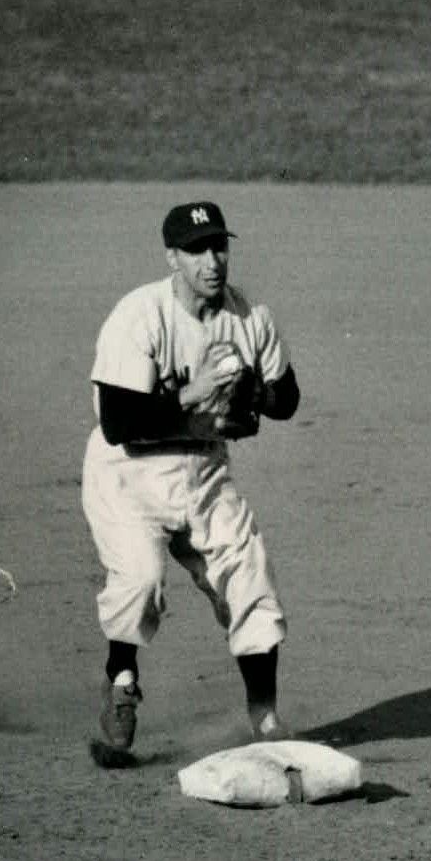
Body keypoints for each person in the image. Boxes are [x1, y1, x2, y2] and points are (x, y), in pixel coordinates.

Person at [81, 200, 302, 763]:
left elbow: (287, 397)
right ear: (172, 258)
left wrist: (259, 395)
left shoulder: (249, 317)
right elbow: (118, 423)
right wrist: (190, 394)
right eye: (197, 250)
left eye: (219, 246)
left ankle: (266, 720)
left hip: (204, 471)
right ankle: (122, 683)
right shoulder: (139, 315)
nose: (213, 261)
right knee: (140, 578)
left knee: (249, 574)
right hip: (129, 474)